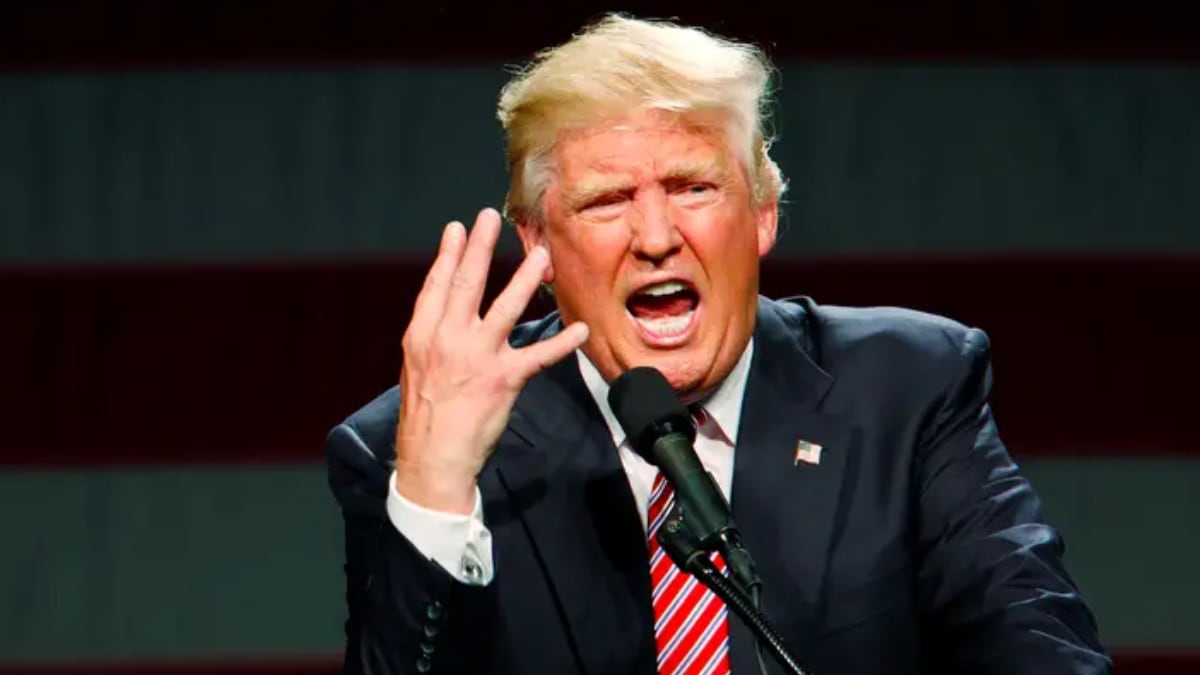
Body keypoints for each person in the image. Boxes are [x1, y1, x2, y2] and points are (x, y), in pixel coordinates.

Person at [325, 14, 1110, 675]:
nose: (656, 237)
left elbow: (1042, 648)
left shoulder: (906, 390)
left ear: (763, 210)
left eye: (693, 187)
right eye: (607, 200)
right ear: (538, 245)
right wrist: (434, 489)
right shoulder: (413, 450)